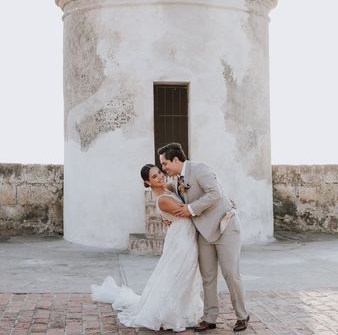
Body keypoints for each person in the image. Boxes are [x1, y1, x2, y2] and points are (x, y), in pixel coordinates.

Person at [91, 164, 203, 332]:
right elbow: (188, 211)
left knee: (185, 273)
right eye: (154, 176)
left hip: (185, 234)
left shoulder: (168, 190)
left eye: (159, 172)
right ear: (147, 182)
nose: (160, 176)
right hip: (181, 239)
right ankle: (168, 312)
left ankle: (184, 309)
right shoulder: (162, 199)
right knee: (178, 273)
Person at [158, 142, 250, 332]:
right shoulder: (175, 181)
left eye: (165, 163)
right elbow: (163, 193)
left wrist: (190, 209)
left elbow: (216, 193)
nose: (163, 168)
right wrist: (167, 216)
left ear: (176, 160)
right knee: (208, 277)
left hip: (225, 227)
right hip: (203, 232)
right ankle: (210, 317)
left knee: (231, 274)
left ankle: (242, 315)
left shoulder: (199, 169)